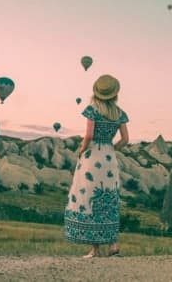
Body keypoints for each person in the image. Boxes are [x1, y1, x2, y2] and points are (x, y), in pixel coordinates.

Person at [64, 74, 129, 258]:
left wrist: (81, 150)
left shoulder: (92, 110)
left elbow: (89, 135)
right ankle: (114, 246)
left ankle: (95, 249)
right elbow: (125, 139)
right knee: (109, 199)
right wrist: (111, 148)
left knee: (90, 197)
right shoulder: (120, 113)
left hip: (92, 157)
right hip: (109, 158)